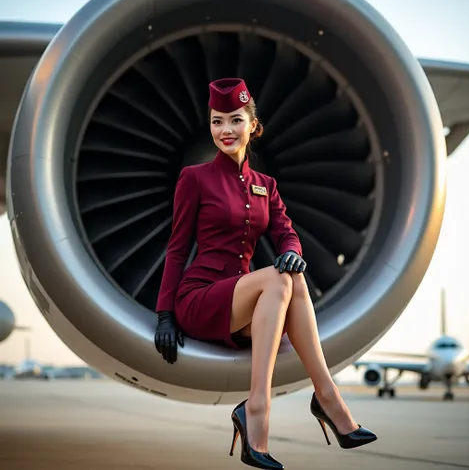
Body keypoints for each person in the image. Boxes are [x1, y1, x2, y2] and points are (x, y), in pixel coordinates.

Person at [154, 78, 377, 469]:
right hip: (202, 296)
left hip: (249, 305)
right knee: (279, 277)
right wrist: (165, 314)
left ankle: (318, 396)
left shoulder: (265, 186)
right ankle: (273, 404)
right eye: (217, 121)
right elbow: (176, 249)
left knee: (292, 275)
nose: (225, 130)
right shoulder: (195, 178)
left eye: (235, 120)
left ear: (252, 126)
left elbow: (286, 232)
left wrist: (291, 252)